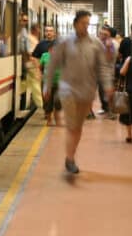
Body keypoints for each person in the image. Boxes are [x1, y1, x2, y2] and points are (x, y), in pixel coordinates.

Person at [44, 10, 114, 174]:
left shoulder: (95, 44)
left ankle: (71, 156)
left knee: (78, 127)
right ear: (75, 23)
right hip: (68, 90)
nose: (86, 27)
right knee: (71, 126)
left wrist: (108, 85)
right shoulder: (64, 42)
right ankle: (70, 159)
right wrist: (47, 86)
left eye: (88, 24)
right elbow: (53, 65)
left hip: (87, 91)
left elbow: (103, 67)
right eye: (83, 23)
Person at [96, 25, 118, 118]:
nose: (102, 35)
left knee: (109, 91)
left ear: (108, 34)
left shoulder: (111, 43)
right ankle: (104, 109)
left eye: (105, 34)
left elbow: (109, 58)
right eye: (101, 33)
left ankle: (111, 111)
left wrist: (108, 48)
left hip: (107, 71)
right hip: (96, 70)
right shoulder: (98, 43)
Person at [39, 40, 62, 125]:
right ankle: (49, 120)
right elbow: (40, 67)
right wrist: (41, 76)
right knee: (48, 102)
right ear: (50, 49)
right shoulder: (44, 56)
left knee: (58, 101)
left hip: (59, 83)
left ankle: (57, 119)